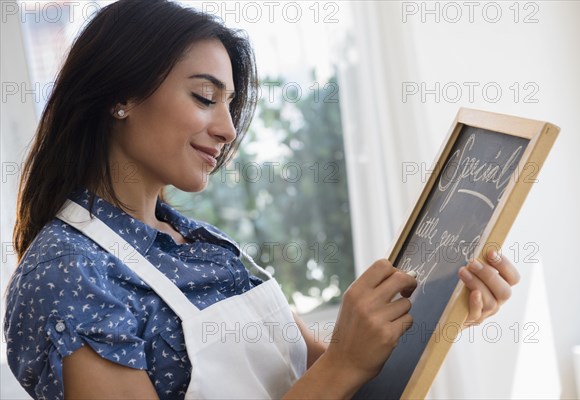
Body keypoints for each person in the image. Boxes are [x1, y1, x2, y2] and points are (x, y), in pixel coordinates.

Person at [4, 1, 520, 399]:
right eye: (205, 98)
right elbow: (337, 371)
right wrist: (343, 361)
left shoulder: (201, 243)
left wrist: (440, 316)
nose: (228, 129)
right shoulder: (69, 274)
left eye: (231, 105)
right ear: (120, 96)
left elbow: (334, 379)